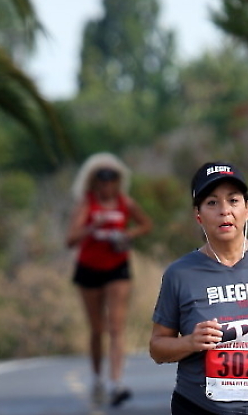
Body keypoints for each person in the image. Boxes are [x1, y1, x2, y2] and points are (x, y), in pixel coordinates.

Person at [150, 161, 248, 415]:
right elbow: (157, 347)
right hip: (200, 408)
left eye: (233, 201)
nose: (225, 211)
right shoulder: (179, 274)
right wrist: (190, 342)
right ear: (198, 215)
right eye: (212, 203)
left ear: (247, 209)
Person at [66, 152, 153, 408]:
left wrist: (128, 234)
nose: (107, 185)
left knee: (116, 327)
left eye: (112, 180)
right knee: (97, 329)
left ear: (118, 181)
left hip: (117, 267)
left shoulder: (125, 203)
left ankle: (116, 383)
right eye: (102, 180)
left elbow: (146, 224)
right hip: (89, 268)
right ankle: (96, 378)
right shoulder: (87, 204)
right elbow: (70, 239)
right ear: (94, 182)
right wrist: (93, 227)